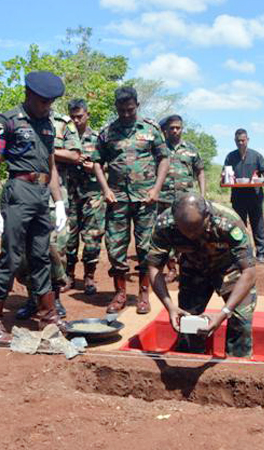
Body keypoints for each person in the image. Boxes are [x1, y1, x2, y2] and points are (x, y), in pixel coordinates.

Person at [0, 71, 68, 346]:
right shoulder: (6, 121)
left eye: (51, 102)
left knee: (42, 256)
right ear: (29, 94)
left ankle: (48, 317)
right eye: (44, 101)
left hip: (42, 195)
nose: (47, 106)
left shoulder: (48, 125)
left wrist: (59, 202)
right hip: (18, 192)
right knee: (12, 258)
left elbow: (51, 166)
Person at [147, 193, 257, 357]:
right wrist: (169, 305)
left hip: (229, 269)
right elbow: (154, 267)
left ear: (208, 215)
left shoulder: (229, 222)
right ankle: (188, 366)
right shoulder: (165, 224)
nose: (191, 235)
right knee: (187, 324)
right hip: (194, 268)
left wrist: (224, 312)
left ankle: (237, 367)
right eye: (186, 231)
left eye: (196, 229)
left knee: (241, 320)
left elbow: (249, 272)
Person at [92, 86, 169, 315]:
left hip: (146, 198)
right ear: (116, 108)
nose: (126, 114)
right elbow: (96, 161)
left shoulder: (151, 129)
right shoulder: (107, 133)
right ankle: (120, 293)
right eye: (122, 110)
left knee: (146, 248)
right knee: (115, 247)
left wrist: (156, 189)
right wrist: (105, 189)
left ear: (137, 105)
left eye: (130, 110)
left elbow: (164, 159)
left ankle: (144, 293)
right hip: (117, 199)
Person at [13, 108, 82, 319]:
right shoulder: (18, 121)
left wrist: (46, 149)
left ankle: (55, 298)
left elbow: (75, 154)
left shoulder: (63, 122)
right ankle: (34, 298)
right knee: (25, 251)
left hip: (55, 196)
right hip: (24, 193)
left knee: (55, 249)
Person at [157, 114, 206, 282]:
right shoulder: (160, 149)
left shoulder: (191, 149)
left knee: (188, 233)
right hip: (163, 198)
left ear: (182, 128)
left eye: (178, 127)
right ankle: (171, 268)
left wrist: (202, 194)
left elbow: (200, 170)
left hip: (186, 201)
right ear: (166, 130)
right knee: (167, 233)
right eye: (172, 128)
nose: (175, 130)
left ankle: (188, 268)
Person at [65, 98, 105, 296]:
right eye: (72, 117)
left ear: (87, 115)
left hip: (93, 195)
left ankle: (89, 276)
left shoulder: (98, 138)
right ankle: (69, 276)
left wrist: (95, 168)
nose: (76, 120)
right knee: (69, 239)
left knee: (92, 238)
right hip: (69, 194)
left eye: (79, 116)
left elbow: (110, 165)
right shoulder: (64, 137)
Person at [222, 129, 264, 264]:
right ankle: (241, 252)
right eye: (238, 140)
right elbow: (225, 174)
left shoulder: (256, 156)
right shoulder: (230, 157)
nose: (240, 143)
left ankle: (261, 253)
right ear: (235, 141)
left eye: (243, 140)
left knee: (258, 225)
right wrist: (225, 179)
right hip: (238, 197)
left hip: (255, 196)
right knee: (239, 226)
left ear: (248, 140)